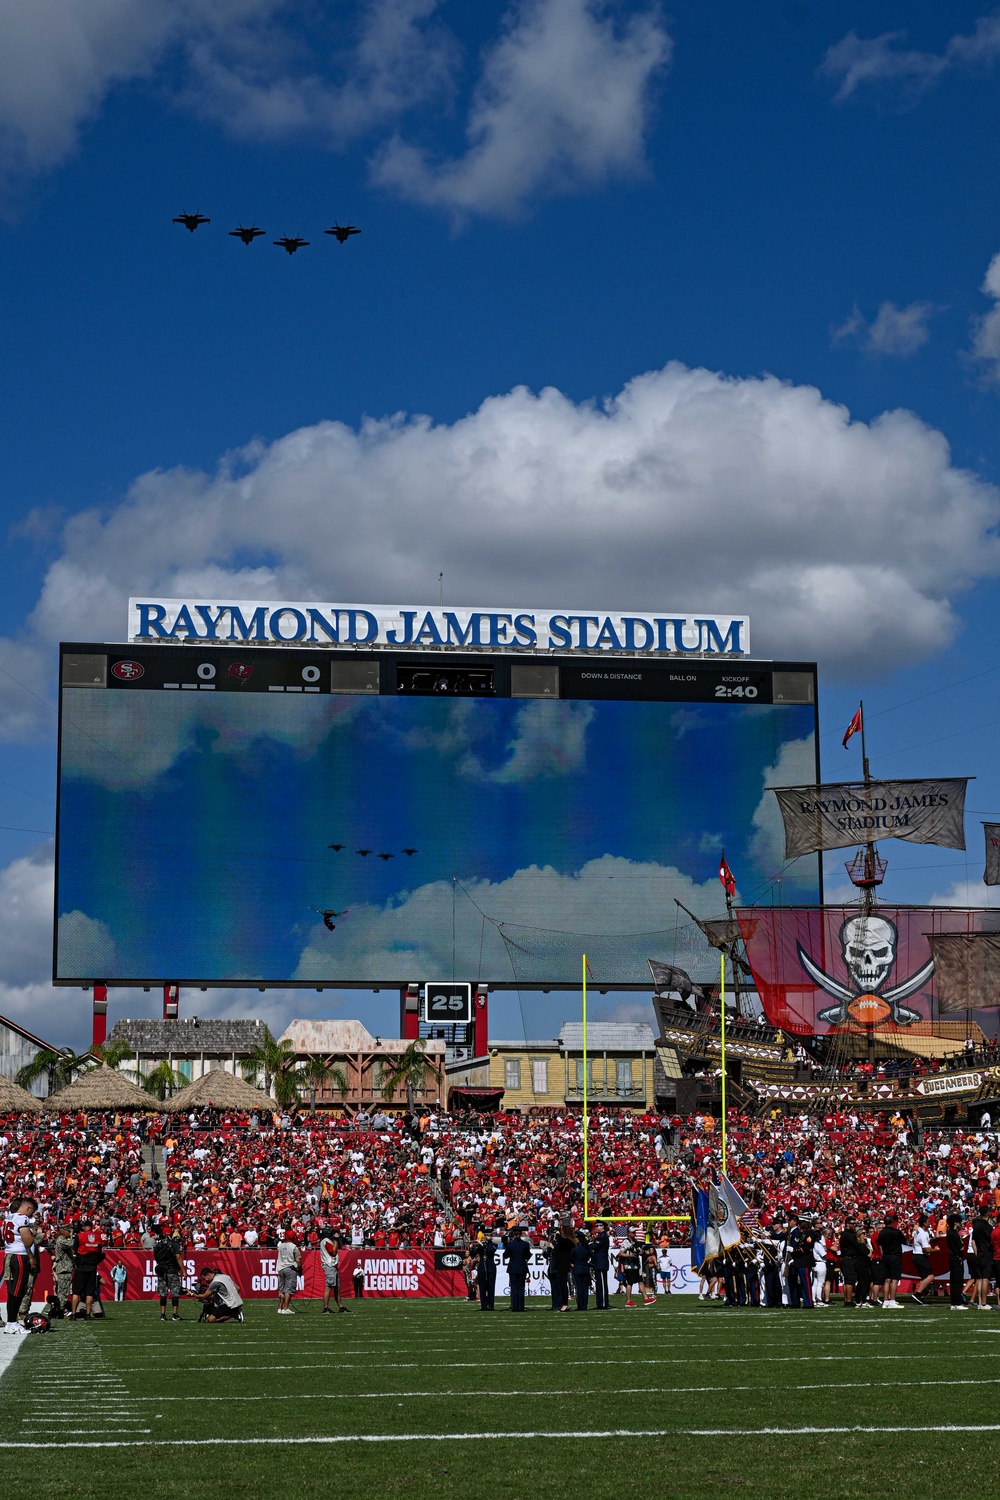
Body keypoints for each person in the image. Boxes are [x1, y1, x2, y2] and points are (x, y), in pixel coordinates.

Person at [3, 1195, 38, 1328]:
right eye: (32, 1211)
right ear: (28, 1209)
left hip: (9, 1254)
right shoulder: (23, 1219)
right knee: (17, 1291)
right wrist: (32, 1233)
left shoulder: (9, 1216)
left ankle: (11, 1322)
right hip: (18, 1256)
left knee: (12, 1291)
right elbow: (28, 1241)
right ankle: (12, 1323)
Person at [71, 1216, 105, 1320]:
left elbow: (73, 1250)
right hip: (92, 1267)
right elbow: (100, 1252)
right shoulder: (98, 1237)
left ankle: (73, 1314)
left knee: (76, 1291)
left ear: (85, 1227)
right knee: (89, 1292)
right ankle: (87, 1314)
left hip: (81, 1266)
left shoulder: (80, 1236)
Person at [152, 1224, 183, 1322]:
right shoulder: (174, 1244)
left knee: (163, 1294)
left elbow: (156, 1258)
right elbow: (178, 1257)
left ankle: (162, 1315)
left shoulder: (157, 1245)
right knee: (175, 1293)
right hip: (172, 1270)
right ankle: (175, 1314)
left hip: (161, 1271)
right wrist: (184, 1270)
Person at [875, 1213, 905, 1308]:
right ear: (892, 1222)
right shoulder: (896, 1232)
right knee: (895, 1280)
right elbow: (904, 1241)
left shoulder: (881, 1233)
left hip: (885, 1257)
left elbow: (880, 1246)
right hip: (894, 1256)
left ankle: (885, 1301)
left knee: (887, 1280)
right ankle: (892, 1301)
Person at [969, 1204, 994, 1311]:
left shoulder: (976, 1225)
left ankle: (979, 1302)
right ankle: (983, 1303)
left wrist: (976, 1253)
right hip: (987, 1253)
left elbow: (973, 1241)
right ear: (987, 1214)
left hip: (978, 1253)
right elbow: (991, 1240)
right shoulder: (987, 1227)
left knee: (979, 1279)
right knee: (985, 1278)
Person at [503, 1224, 531, 1313]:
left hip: (513, 1268)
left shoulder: (510, 1244)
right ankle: (521, 1306)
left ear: (514, 1234)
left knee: (514, 1288)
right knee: (521, 1288)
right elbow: (527, 1255)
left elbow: (505, 1256)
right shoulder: (525, 1244)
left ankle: (515, 1306)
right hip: (522, 1267)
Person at [910, 1214, 936, 1305]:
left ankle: (919, 1296)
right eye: (928, 1221)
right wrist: (935, 1250)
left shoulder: (922, 1231)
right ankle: (917, 1293)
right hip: (920, 1256)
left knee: (924, 1277)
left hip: (918, 1255)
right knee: (930, 1276)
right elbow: (926, 1249)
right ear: (924, 1223)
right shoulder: (921, 1234)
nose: (930, 1222)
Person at [320, 1231, 348, 1313]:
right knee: (329, 1287)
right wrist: (335, 1239)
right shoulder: (326, 1241)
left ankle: (341, 1307)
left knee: (337, 1288)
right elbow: (333, 1252)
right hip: (329, 1265)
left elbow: (339, 1247)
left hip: (332, 1265)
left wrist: (337, 1240)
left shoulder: (329, 1241)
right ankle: (326, 1308)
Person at [276, 1230, 302, 1315]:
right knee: (288, 1289)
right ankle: (286, 1308)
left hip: (281, 1268)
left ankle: (279, 1308)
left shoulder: (280, 1246)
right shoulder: (294, 1247)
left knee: (281, 1289)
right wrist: (300, 1269)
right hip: (290, 1268)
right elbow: (298, 1260)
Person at [946, 1213, 968, 1311]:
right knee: (957, 1281)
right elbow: (961, 1247)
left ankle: (954, 1302)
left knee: (954, 1281)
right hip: (956, 1258)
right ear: (955, 1223)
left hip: (952, 1258)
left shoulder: (949, 1232)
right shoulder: (954, 1233)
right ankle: (956, 1302)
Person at [52, 1222, 74, 1311]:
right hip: (64, 1269)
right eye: (69, 1231)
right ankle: (61, 1309)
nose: (70, 1233)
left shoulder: (61, 1240)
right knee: (63, 1292)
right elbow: (72, 1244)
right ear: (64, 1232)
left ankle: (61, 1309)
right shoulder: (62, 1240)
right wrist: (72, 1236)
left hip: (64, 1269)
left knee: (64, 1291)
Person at [571, 1229, 593, 1311]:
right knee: (584, 1288)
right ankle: (584, 1305)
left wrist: (572, 1264)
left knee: (579, 1288)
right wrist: (589, 1264)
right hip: (585, 1268)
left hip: (577, 1269)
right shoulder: (586, 1247)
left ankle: (580, 1305)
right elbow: (593, 1257)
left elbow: (570, 1257)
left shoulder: (575, 1248)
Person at [616, 1237, 641, 1309]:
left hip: (635, 1265)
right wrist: (629, 1255)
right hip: (629, 1266)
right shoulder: (626, 1242)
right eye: (633, 1233)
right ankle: (628, 1300)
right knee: (629, 1283)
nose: (635, 1234)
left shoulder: (635, 1242)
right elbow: (621, 1253)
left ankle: (645, 1298)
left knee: (640, 1280)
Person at [592, 1226, 611, 1310]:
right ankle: (600, 1303)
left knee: (602, 1285)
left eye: (598, 1226)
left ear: (602, 1227)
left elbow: (595, 1246)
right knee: (599, 1284)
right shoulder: (600, 1236)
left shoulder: (603, 1236)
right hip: (598, 1263)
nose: (596, 1228)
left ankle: (603, 1303)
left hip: (601, 1263)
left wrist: (588, 1244)